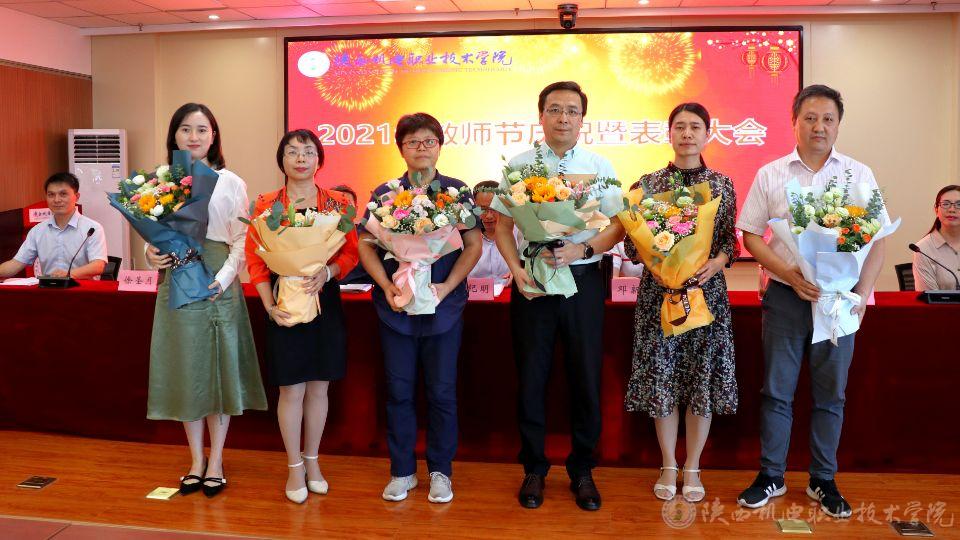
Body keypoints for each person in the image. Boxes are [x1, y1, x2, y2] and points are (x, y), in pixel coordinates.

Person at [735, 85, 888, 518]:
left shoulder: (858, 174)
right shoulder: (771, 173)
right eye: (810, 118)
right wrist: (787, 275)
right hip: (786, 297)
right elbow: (750, 234)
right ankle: (771, 475)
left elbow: (878, 239)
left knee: (830, 396)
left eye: (828, 119)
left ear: (838, 124)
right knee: (776, 391)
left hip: (838, 302)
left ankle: (823, 479)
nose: (819, 126)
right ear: (795, 122)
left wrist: (862, 295)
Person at [491, 81, 625, 511]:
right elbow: (502, 225)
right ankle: (533, 467)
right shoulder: (519, 165)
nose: (563, 118)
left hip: (582, 280)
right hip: (533, 280)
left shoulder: (598, 165)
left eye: (571, 110)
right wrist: (515, 269)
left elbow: (618, 226)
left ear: (583, 119)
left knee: (585, 375)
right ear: (541, 115)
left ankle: (582, 469)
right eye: (555, 109)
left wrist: (582, 250)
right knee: (531, 376)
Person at [357, 112, 482, 504]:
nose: (421, 148)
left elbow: (474, 245)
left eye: (429, 141)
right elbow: (365, 243)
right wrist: (386, 286)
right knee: (399, 392)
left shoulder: (457, 192)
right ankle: (402, 471)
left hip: (443, 309)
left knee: (442, 393)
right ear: (401, 149)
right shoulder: (386, 193)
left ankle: (441, 472)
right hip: (396, 310)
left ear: (439, 146)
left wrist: (447, 286)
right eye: (413, 142)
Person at [144, 103, 267, 498]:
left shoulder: (231, 182)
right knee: (188, 368)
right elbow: (153, 235)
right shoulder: (161, 182)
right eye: (185, 129)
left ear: (214, 136)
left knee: (217, 369)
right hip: (177, 278)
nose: (193, 136)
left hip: (217, 281)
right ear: (174, 137)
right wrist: (151, 254)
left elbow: (241, 240)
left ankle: (217, 461)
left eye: (201, 129)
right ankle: (196, 460)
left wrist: (223, 279)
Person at [623, 103, 739, 504]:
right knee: (664, 379)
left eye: (695, 127)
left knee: (700, 380)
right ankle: (668, 464)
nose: (687, 134)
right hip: (660, 296)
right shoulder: (648, 184)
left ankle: (693, 467)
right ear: (669, 133)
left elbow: (729, 241)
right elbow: (632, 243)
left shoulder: (721, 184)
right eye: (680, 127)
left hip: (706, 295)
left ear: (708, 134)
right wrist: (655, 266)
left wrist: (717, 263)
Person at [245, 130, 359, 504]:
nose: (300, 158)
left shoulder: (338, 204)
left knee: (319, 386)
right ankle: (294, 466)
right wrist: (268, 305)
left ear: (319, 160)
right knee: (291, 388)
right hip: (284, 299)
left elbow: (350, 253)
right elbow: (256, 260)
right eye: (292, 152)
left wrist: (328, 271)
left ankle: (313, 461)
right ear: (281, 160)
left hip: (323, 297)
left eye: (308, 152)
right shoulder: (266, 204)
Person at [0, 173, 106, 280]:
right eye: (51, 195)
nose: (56, 200)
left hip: (84, 289)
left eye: (63, 194)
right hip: (49, 289)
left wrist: (69, 274)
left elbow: (98, 266)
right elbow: (15, 264)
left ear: (77, 197)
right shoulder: (38, 231)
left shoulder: (92, 228)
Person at [912, 185, 960, 291]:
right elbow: (930, 297)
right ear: (936, 210)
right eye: (946, 204)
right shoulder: (923, 249)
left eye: (959, 204)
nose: (952, 209)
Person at [468, 180, 511, 284]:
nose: (489, 216)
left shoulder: (517, 233)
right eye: (483, 209)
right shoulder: (465, 237)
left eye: (494, 209)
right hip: (475, 293)